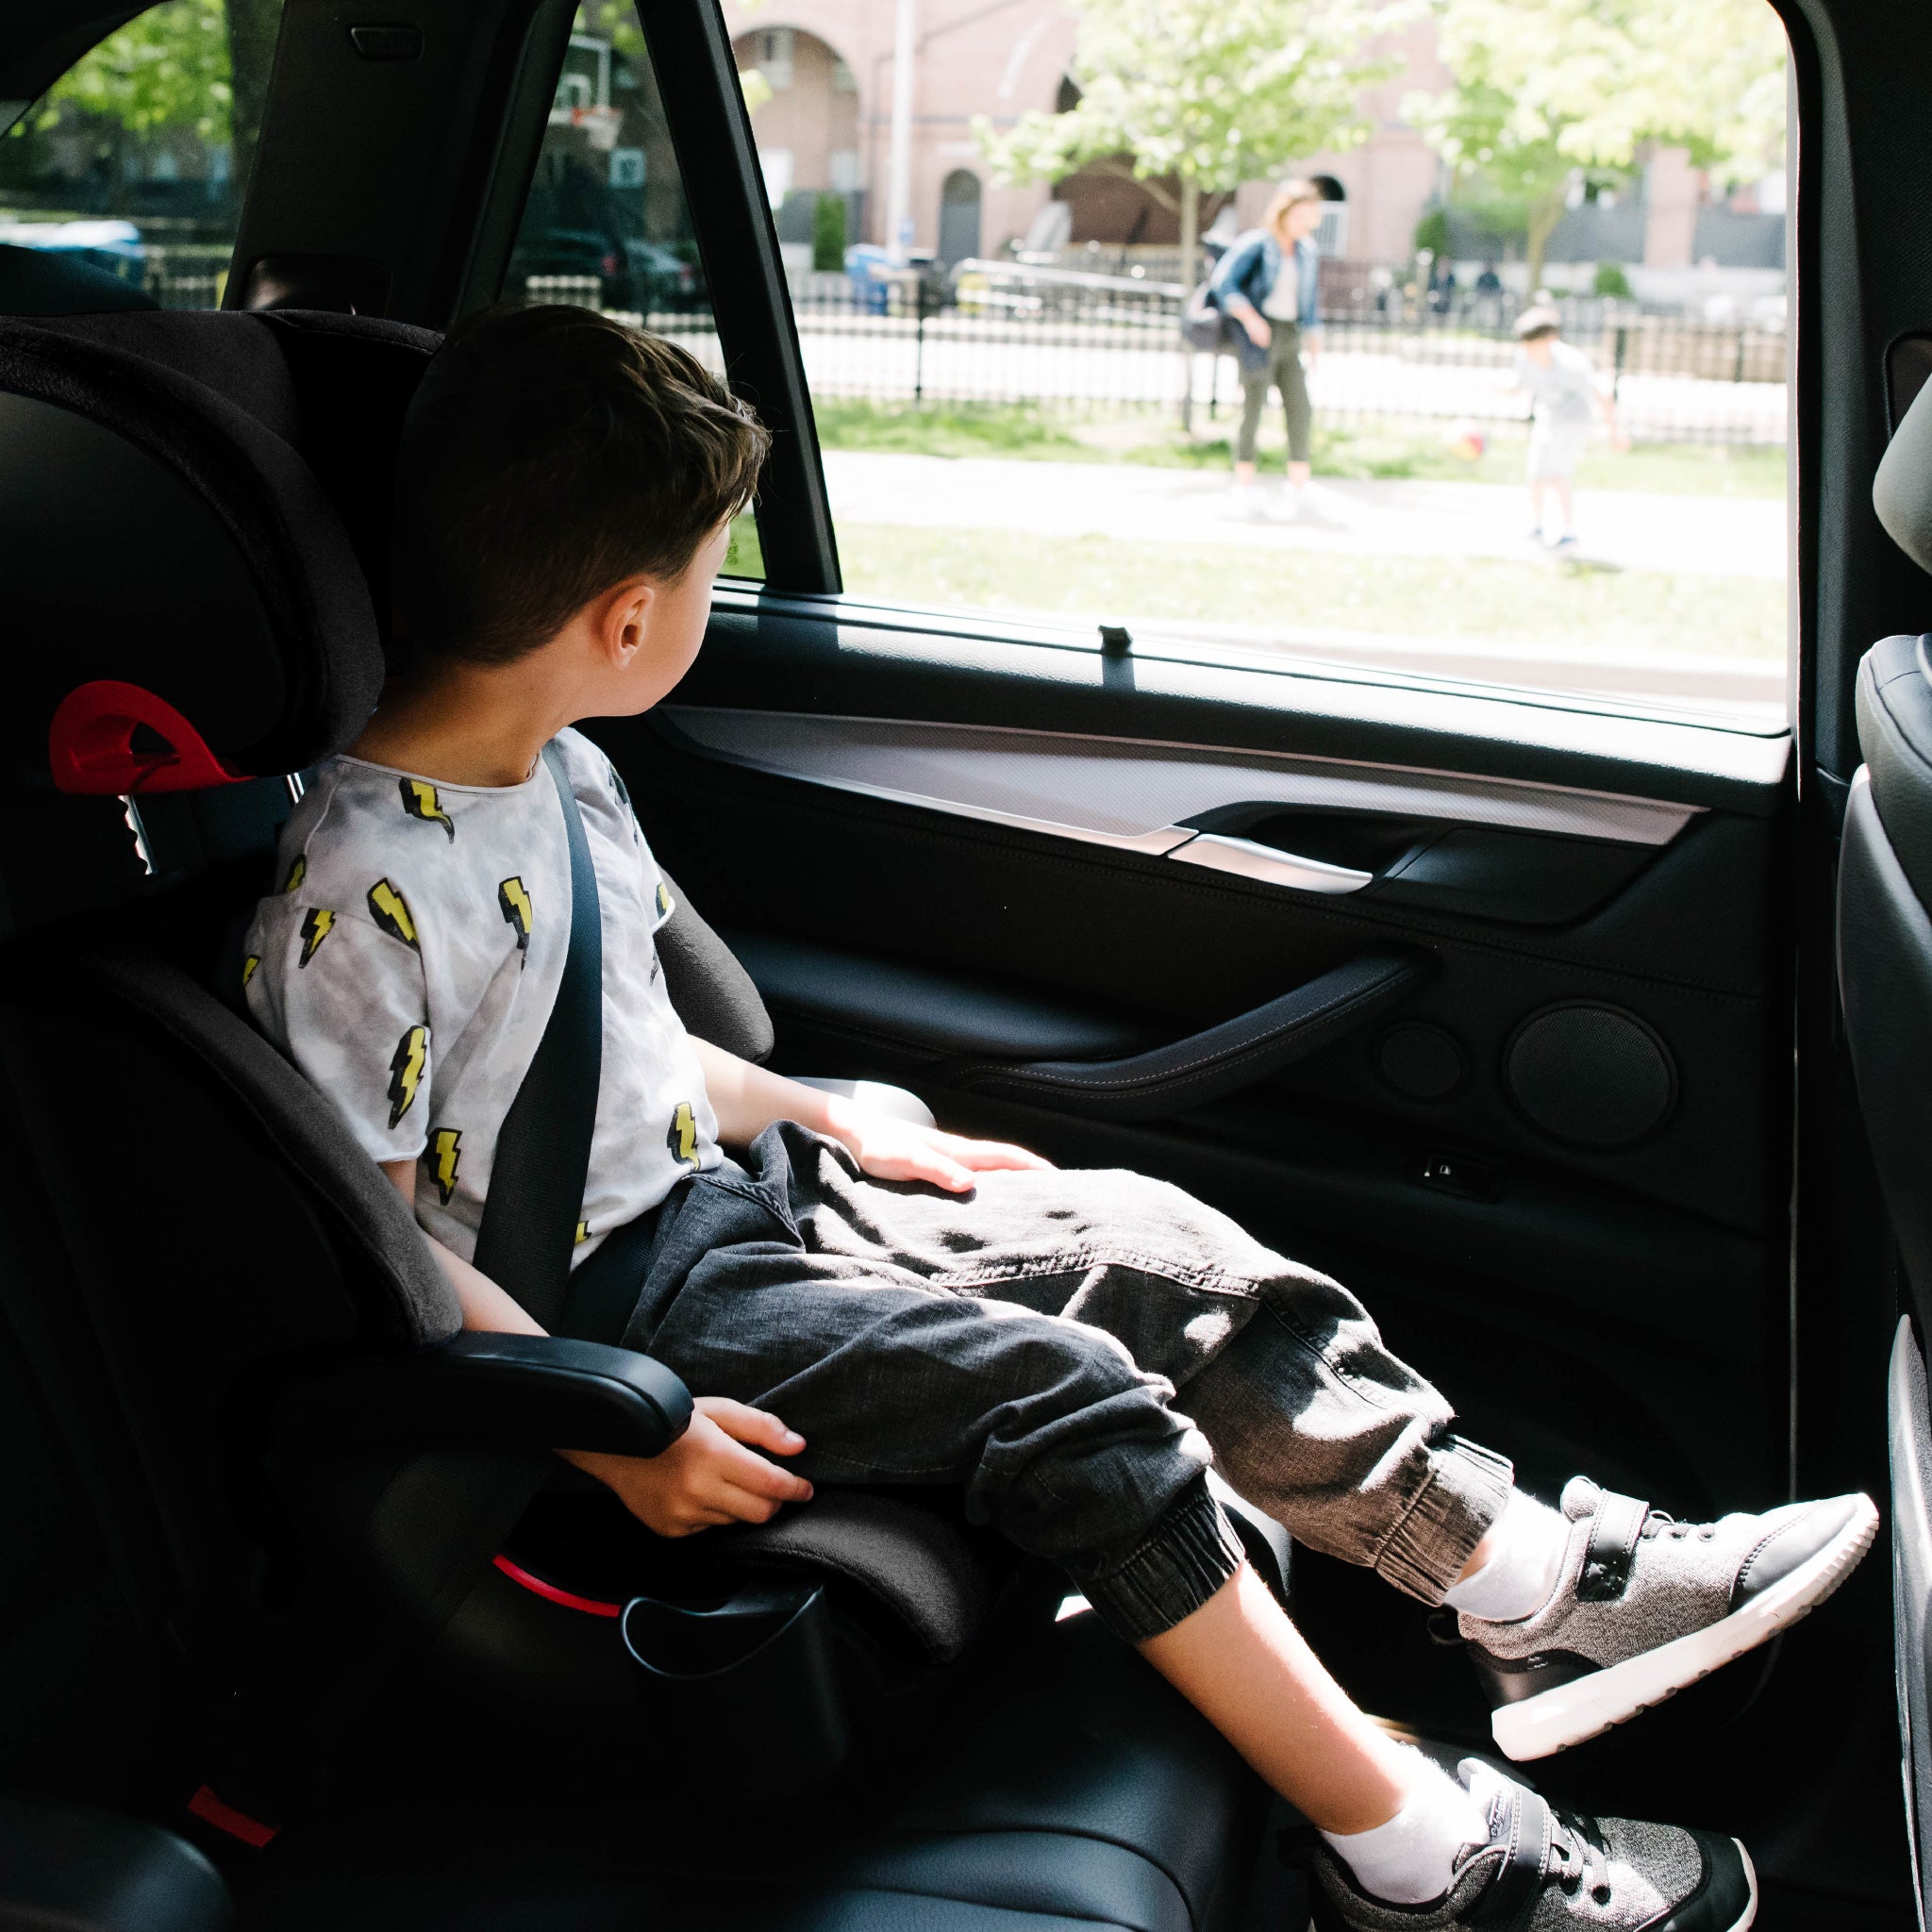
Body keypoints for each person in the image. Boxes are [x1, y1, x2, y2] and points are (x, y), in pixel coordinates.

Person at [244, 304, 1874, 1932]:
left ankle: (1524, 1579)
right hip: (609, 1311)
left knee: (1151, 1244)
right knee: (1075, 1394)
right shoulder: (359, 895)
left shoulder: (560, 771)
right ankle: (1409, 1854)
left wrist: (828, 1113)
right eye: (706, 571)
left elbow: (625, 1056)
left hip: (731, 1191)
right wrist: (605, 1422)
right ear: (620, 620)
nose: (716, 599)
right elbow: (374, 1230)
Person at [1208, 179, 1325, 520]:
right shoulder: (1258, 243)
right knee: (1253, 410)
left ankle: (1299, 486)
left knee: (1300, 409)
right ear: (1284, 212)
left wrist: (1315, 347)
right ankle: (1243, 487)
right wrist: (1250, 318)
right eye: (1300, 215)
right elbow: (1223, 282)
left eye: (1310, 217)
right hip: (1258, 336)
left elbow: (1311, 304)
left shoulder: (1306, 251)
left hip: (1289, 335)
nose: (1305, 223)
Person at [1508, 302, 1627, 548]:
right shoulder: (1524, 357)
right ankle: (1537, 525)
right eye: (1525, 342)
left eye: (1532, 342)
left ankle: (1567, 529)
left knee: (1557, 473)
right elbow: (1518, 386)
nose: (1527, 348)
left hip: (1574, 421)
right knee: (1536, 474)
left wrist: (1615, 432)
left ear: (1549, 340)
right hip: (1549, 417)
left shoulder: (1572, 364)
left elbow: (1602, 394)